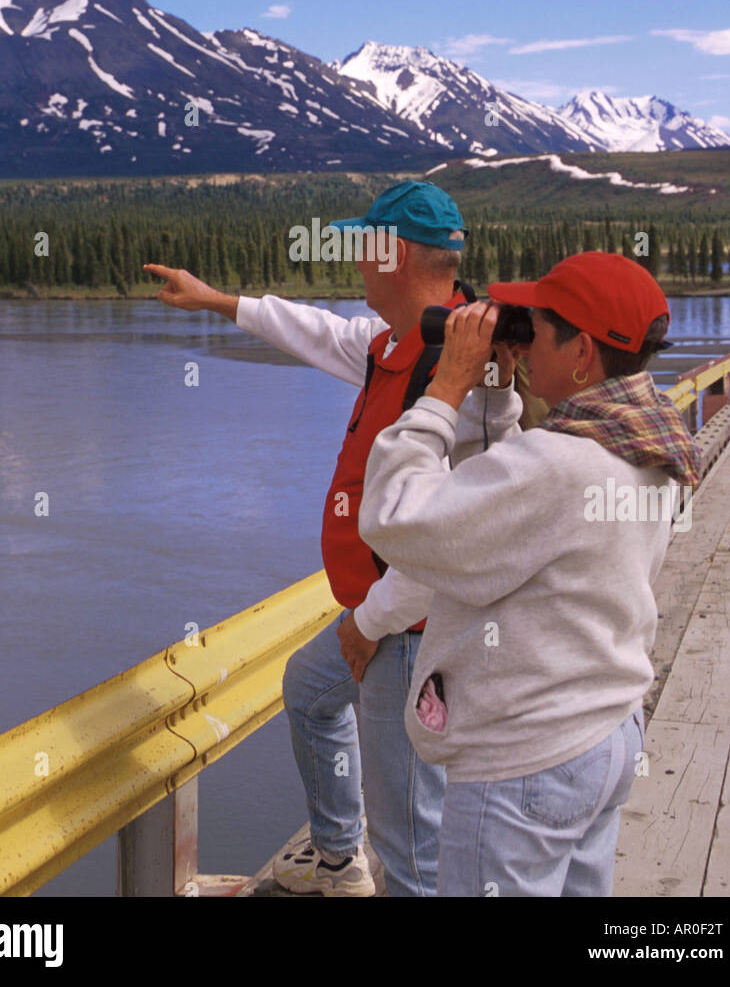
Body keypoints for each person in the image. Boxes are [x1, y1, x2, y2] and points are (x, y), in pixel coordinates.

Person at [144, 180, 545, 897]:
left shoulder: (460, 371)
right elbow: (316, 330)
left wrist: (370, 623)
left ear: (390, 253)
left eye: (363, 244)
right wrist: (214, 301)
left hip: (413, 628)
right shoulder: (398, 343)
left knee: (412, 844)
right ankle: (336, 856)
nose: (354, 259)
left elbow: (459, 538)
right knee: (308, 686)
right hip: (380, 614)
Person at [358, 250, 700, 897]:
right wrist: (495, 394)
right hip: (602, 732)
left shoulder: (562, 463)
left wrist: (444, 390)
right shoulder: (644, 439)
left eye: (535, 328)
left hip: (525, 760)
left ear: (581, 352)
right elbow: (510, 507)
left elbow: (396, 519)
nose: (522, 341)